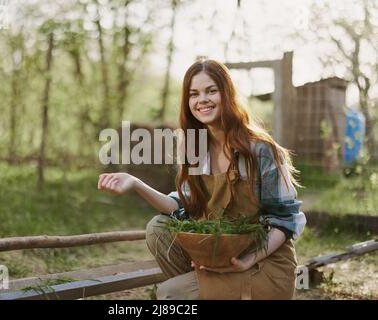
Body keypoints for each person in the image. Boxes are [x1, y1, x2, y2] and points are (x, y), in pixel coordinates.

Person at [97, 59, 306, 300]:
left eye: (211, 91)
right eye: (194, 94)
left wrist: (248, 260)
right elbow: (183, 206)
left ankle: (194, 292)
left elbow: (285, 220)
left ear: (227, 94)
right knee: (158, 228)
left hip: (263, 264)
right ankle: (205, 288)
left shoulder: (259, 151)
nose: (202, 100)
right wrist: (134, 182)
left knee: (170, 295)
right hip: (221, 256)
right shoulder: (196, 149)